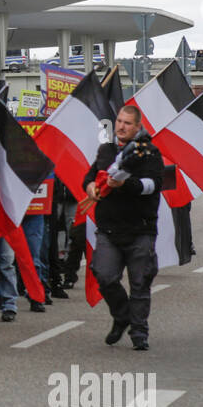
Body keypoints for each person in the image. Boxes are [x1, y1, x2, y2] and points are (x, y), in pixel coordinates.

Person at [82, 104, 163, 350]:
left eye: (127, 123)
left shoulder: (148, 152)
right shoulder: (106, 150)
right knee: (104, 275)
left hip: (140, 229)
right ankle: (122, 316)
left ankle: (139, 332)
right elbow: (89, 177)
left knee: (140, 283)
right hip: (108, 229)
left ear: (138, 126)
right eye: (119, 121)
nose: (121, 126)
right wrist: (90, 188)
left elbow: (152, 185)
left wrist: (124, 185)